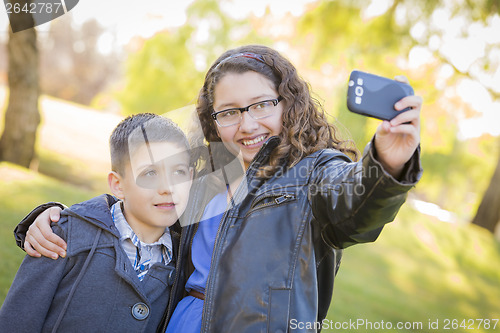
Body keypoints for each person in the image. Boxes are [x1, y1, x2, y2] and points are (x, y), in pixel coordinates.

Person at [13, 45, 422, 332]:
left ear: (288, 103)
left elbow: (356, 211)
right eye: (229, 112)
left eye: (262, 104)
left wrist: (386, 163)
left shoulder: (314, 173)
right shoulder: (206, 176)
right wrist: (56, 219)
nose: (247, 125)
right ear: (213, 119)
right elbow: (141, 210)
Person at [0, 113, 193, 332]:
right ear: (118, 185)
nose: (168, 187)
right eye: (150, 173)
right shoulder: (62, 237)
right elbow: (17, 320)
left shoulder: (185, 260)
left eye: (179, 172)